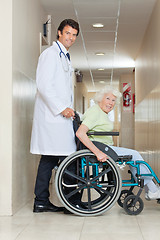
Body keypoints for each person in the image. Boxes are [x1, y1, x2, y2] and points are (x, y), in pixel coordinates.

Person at [76, 85, 160, 200]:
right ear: (100, 98)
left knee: (133, 158)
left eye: (113, 100)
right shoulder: (95, 112)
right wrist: (98, 152)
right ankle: (153, 190)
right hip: (102, 148)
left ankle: (150, 189)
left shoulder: (100, 112)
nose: (111, 103)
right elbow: (80, 133)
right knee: (135, 155)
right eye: (108, 98)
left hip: (104, 147)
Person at [30, 19, 79, 213]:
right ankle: (71, 202)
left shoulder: (64, 56)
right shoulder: (50, 55)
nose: (70, 37)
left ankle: (42, 201)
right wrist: (62, 108)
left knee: (49, 160)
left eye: (74, 35)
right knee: (66, 160)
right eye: (67, 33)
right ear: (59, 33)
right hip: (54, 117)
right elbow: (43, 85)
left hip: (59, 119)